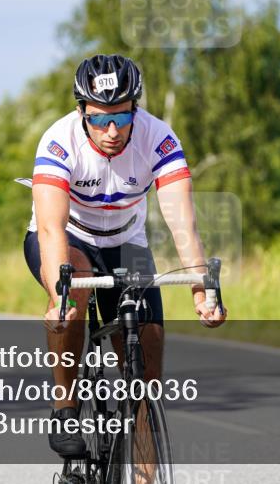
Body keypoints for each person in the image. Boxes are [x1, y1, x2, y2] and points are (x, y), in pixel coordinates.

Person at [24, 53, 227, 458]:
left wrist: (202, 290)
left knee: (147, 369)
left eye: (122, 116)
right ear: (82, 110)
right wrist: (59, 295)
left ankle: (142, 464)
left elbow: (183, 223)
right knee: (74, 285)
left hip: (127, 242)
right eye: (100, 119)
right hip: (70, 238)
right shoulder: (58, 140)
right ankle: (65, 407)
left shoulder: (159, 137)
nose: (112, 130)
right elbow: (50, 228)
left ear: (136, 107)